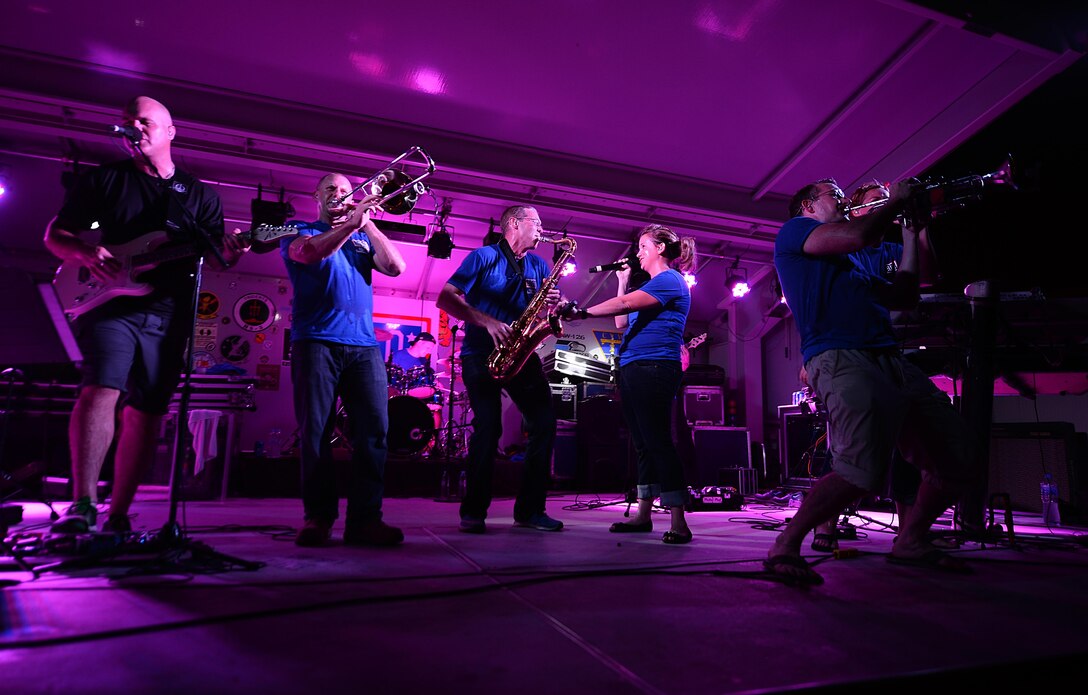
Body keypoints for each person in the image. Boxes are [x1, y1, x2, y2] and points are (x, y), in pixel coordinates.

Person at [44, 96, 249, 534]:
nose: (133, 126)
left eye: (144, 120)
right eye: (126, 121)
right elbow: (56, 235)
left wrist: (230, 251)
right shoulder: (104, 180)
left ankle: (118, 514)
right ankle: (83, 503)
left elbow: (215, 259)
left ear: (171, 132)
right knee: (102, 388)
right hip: (111, 303)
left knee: (149, 410)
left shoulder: (199, 198)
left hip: (170, 312)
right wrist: (83, 249)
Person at [766, 177, 974, 584]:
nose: (844, 201)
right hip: (841, 356)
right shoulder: (796, 230)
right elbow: (861, 233)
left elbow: (906, 296)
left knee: (958, 457)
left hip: (890, 359)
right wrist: (894, 203)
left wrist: (913, 233)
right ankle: (786, 545)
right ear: (809, 204)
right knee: (860, 472)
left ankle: (911, 540)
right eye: (835, 196)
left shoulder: (857, 260)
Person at [282, 173, 407, 547]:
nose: (339, 194)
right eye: (331, 189)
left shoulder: (360, 236)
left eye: (344, 189)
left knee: (374, 433)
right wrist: (349, 225)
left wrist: (366, 224)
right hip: (315, 342)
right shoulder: (296, 228)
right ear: (316, 195)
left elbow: (396, 267)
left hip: (364, 346)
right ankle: (318, 518)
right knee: (315, 433)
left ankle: (365, 520)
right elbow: (307, 254)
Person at [561, 224, 696, 544]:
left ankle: (679, 520)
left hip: (655, 366)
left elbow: (622, 308)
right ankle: (643, 515)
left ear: (660, 249)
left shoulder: (669, 280)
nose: (637, 252)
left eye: (643, 246)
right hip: (635, 365)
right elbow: (622, 321)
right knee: (642, 443)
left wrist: (580, 312)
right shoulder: (648, 285)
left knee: (658, 440)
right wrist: (621, 280)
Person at [436, 205, 563, 533]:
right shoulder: (482, 257)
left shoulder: (538, 264)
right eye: (536, 223)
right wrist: (488, 322)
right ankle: (474, 511)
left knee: (545, 423)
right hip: (480, 353)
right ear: (515, 224)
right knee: (488, 428)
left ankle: (531, 510)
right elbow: (445, 299)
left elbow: (534, 310)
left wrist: (553, 307)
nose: (541, 229)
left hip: (520, 351)